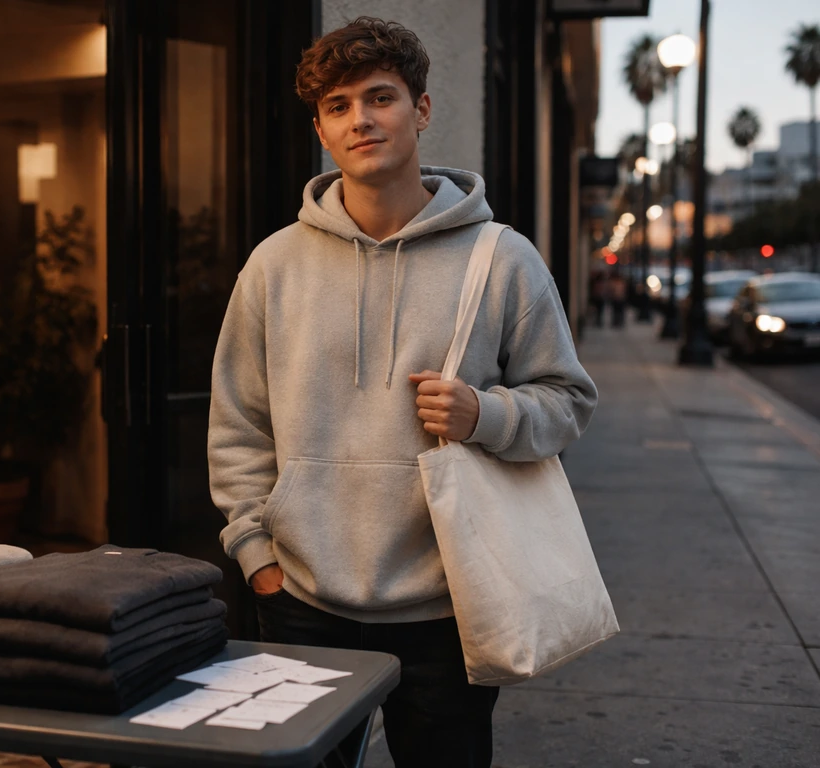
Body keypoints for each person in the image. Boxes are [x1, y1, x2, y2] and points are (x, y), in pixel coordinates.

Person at [207, 18, 597, 768]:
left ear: (420, 110)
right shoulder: (273, 266)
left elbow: (568, 400)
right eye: (338, 106)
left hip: (449, 603)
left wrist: (486, 414)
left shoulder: (503, 259)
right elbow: (239, 424)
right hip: (302, 600)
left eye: (380, 97)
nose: (360, 119)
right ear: (321, 130)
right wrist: (257, 556)